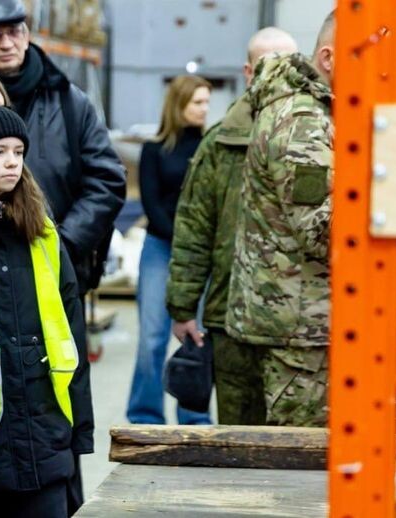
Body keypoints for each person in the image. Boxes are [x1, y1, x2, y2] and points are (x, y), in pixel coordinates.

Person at [0, 105, 92, 518]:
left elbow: (70, 328)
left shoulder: (39, 229)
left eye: (19, 151)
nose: (11, 161)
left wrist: (79, 427)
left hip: (42, 436)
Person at [166, 28, 299, 426]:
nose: (278, 75)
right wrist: (183, 307)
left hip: (302, 323)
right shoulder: (220, 145)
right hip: (231, 320)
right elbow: (193, 230)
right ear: (247, 71)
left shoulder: (320, 134)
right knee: (241, 437)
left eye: (287, 64)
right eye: (266, 64)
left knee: (304, 446)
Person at [0, 0, 126, 301]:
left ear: (27, 33)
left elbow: (107, 180)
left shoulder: (69, 103)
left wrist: (63, 243)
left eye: (15, 31)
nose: (7, 43)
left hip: (58, 275)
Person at [226, 12, 335, 427]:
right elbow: (324, 232)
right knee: (304, 462)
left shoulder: (311, 110)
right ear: (328, 58)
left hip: (299, 319)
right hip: (300, 326)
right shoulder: (303, 122)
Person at [127, 75, 212, 426]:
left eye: (207, 102)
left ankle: (194, 415)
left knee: (199, 336)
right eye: (198, 102)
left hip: (202, 253)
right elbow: (152, 205)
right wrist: (184, 238)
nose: (204, 109)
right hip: (161, 247)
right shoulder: (153, 150)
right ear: (179, 105)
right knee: (152, 337)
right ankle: (145, 416)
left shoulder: (212, 147)